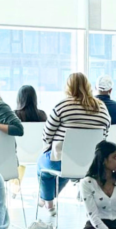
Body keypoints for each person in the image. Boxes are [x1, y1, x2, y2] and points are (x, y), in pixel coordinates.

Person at [35, 72, 111, 215]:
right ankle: (48, 199)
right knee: (67, 172)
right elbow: (104, 135)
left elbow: (47, 134)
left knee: (43, 166)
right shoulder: (101, 107)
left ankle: (48, 201)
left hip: (63, 161)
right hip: (92, 163)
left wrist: (48, 147)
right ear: (88, 86)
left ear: (68, 87)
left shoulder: (62, 105)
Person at [94, 74, 116, 140]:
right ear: (110, 90)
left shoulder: (86, 106)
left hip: (89, 144)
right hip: (111, 145)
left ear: (95, 87)